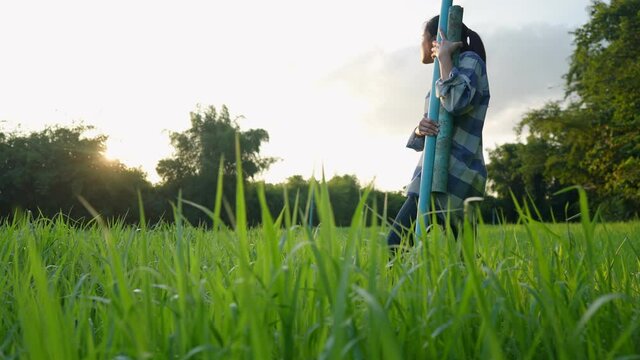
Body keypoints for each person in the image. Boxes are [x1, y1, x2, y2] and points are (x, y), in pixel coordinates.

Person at [387, 15, 490, 249]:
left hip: (458, 175)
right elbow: (432, 128)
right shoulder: (442, 73)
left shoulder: (470, 61)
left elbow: (456, 102)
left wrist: (444, 58)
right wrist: (419, 129)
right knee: (398, 246)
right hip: (432, 174)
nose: (420, 44)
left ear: (434, 39)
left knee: (397, 246)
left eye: (422, 37)